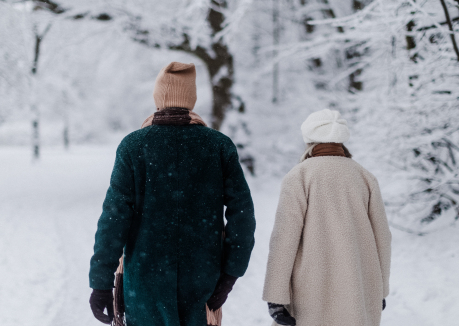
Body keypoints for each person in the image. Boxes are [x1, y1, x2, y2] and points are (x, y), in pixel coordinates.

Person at [89, 62, 256, 326]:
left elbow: (114, 218)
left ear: (158, 99)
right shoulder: (218, 146)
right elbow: (243, 216)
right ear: (192, 100)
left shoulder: (133, 146)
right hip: (202, 279)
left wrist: (100, 284)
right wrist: (229, 275)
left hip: (145, 283)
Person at [262, 109, 391, 326]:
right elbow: (382, 238)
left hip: (310, 292)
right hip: (357, 290)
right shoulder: (364, 177)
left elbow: (284, 238)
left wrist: (276, 296)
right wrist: (380, 289)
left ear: (309, 140)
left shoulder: (299, 176)